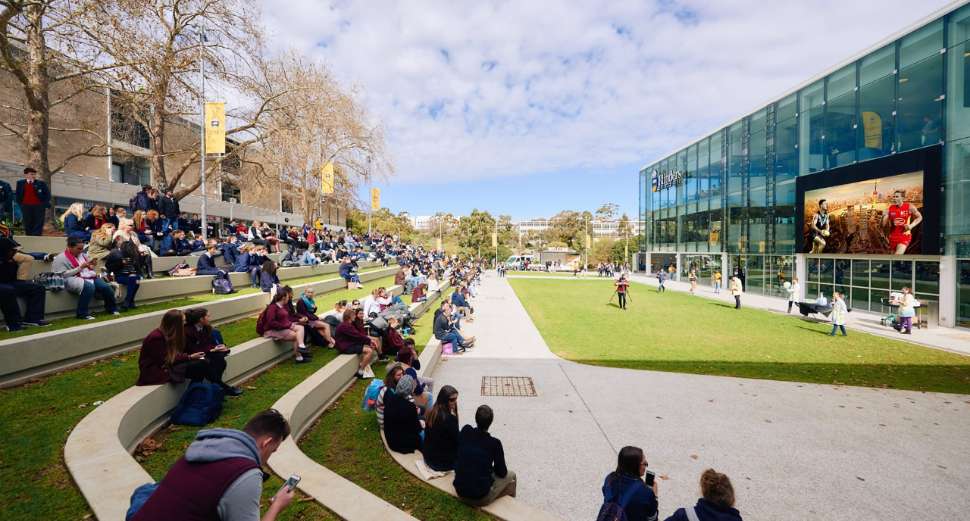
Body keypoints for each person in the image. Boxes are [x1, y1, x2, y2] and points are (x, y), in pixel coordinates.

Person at [129, 409, 295, 521]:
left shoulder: (207, 447)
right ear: (266, 443)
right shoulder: (245, 473)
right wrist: (277, 505)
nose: (268, 458)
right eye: (273, 451)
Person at [454, 405, 516, 506]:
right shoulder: (494, 443)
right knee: (512, 475)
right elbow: (502, 473)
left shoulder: (466, 430)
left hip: (459, 490)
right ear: (491, 422)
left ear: (476, 418)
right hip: (480, 497)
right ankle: (512, 506)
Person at [52, 236, 119, 319]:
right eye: (78, 249)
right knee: (89, 287)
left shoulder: (83, 255)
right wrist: (80, 268)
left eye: (82, 249)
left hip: (87, 276)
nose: (81, 251)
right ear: (70, 247)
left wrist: (91, 265)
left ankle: (111, 308)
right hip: (69, 279)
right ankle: (82, 313)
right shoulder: (61, 258)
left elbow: (88, 269)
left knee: (105, 287)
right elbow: (62, 275)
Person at [184, 307, 243, 396]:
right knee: (205, 363)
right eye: (208, 316)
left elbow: (208, 343)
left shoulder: (205, 328)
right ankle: (224, 388)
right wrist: (211, 349)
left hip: (204, 353)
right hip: (191, 357)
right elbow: (191, 349)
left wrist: (219, 347)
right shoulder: (187, 331)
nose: (209, 318)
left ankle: (217, 386)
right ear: (201, 319)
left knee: (220, 360)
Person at [0, 236, 49, 330]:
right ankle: (14, 324)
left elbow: (29, 255)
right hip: (4, 286)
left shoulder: (11, 257)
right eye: (12, 250)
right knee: (7, 291)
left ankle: (33, 319)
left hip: (10, 282)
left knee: (38, 288)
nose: (14, 252)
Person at [598, 446, 658, 521]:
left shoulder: (610, 478)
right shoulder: (645, 492)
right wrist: (654, 495)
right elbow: (652, 518)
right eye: (644, 463)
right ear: (635, 466)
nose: (646, 465)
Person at [136, 310, 195, 385]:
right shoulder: (156, 337)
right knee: (197, 366)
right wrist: (189, 357)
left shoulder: (168, 334)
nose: (185, 323)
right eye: (183, 321)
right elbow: (165, 359)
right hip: (155, 371)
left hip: (167, 366)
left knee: (200, 363)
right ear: (175, 323)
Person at [663, 469, 742, 521]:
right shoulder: (735, 519)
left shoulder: (684, 515)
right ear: (731, 494)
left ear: (704, 491)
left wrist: (653, 497)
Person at [258, 288, 310, 363]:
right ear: (283, 298)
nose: (289, 298)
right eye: (288, 297)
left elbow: (284, 319)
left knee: (301, 327)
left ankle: (301, 346)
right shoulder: (272, 307)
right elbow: (271, 322)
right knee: (296, 336)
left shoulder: (281, 306)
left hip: (283, 327)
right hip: (272, 330)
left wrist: (290, 324)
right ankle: (299, 357)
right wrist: (286, 326)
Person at [383, 374, 424, 454]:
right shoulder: (410, 407)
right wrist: (422, 424)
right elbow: (417, 429)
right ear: (410, 389)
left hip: (390, 438)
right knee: (425, 433)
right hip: (402, 445)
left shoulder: (390, 398)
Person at [423, 385, 460, 472]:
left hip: (429, 457)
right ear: (444, 400)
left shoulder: (432, 412)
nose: (455, 402)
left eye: (456, 399)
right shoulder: (450, 419)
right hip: (442, 463)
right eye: (452, 400)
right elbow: (457, 441)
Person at [334, 308, 376, 378]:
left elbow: (357, 335)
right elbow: (357, 336)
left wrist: (368, 342)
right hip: (345, 347)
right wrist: (369, 341)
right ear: (349, 317)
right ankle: (360, 371)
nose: (355, 317)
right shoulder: (345, 326)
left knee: (368, 347)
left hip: (349, 344)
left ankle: (364, 364)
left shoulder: (347, 324)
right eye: (353, 315)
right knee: (369, 351)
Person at [105, 234, 142, 310]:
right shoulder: (115, 253)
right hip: (120, 276)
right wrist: (120, 263)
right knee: (135, 280)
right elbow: (108, 266)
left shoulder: (132, 254)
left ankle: (128, 301)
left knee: (136, 279)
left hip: (132, 276)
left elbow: (137, 268)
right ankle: (129, 301)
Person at [882, 189, 923, 256]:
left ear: (903, 198)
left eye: (897, 197)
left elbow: (920, 217)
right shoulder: (890, 208)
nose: (894, 198)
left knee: (897, 255)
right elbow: (884, 224)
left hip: (904, 236)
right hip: (893, 237)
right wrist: (884, 216)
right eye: (894, 197)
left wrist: (911, 226)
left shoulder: (909, 207)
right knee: (893, 259)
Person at [15, 167, 51, 236]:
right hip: (26, 206)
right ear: (26, 175)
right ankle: (29, 236)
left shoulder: (41, 183)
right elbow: (18, 195)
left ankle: (36, 236)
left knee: (38, 222)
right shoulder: (20, 183)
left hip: (39, 206)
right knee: (27, 222)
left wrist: (43, 204)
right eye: (31, 174)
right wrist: (21, 204)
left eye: (34, 174)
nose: (33, 176)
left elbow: (48, 195)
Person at [376, 363, 404, 428]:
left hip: (391, 416)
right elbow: (392, 411)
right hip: (385, 422)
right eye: (399, 375)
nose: (402, 376)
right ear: (392, 377)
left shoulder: (395, 385)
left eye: (402, 373)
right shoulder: (388, 391)